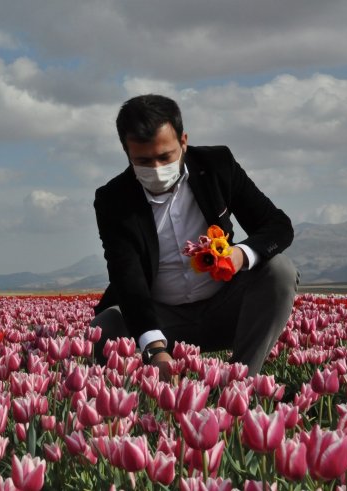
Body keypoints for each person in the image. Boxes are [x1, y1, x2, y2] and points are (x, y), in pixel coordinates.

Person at [92, 94, 298, 379]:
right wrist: (155, 349)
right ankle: (140, 402)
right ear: (127, 154)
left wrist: (240, 255)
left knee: (280, 270)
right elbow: (128, 277)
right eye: (143, 161)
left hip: (225, 309)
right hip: (163, 320)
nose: (156, 169)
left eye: (165, 157)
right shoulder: (114, 199)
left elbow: (277, 225)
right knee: (106, 325)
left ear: (183, 141)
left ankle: (240, 382)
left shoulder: (216, 166)